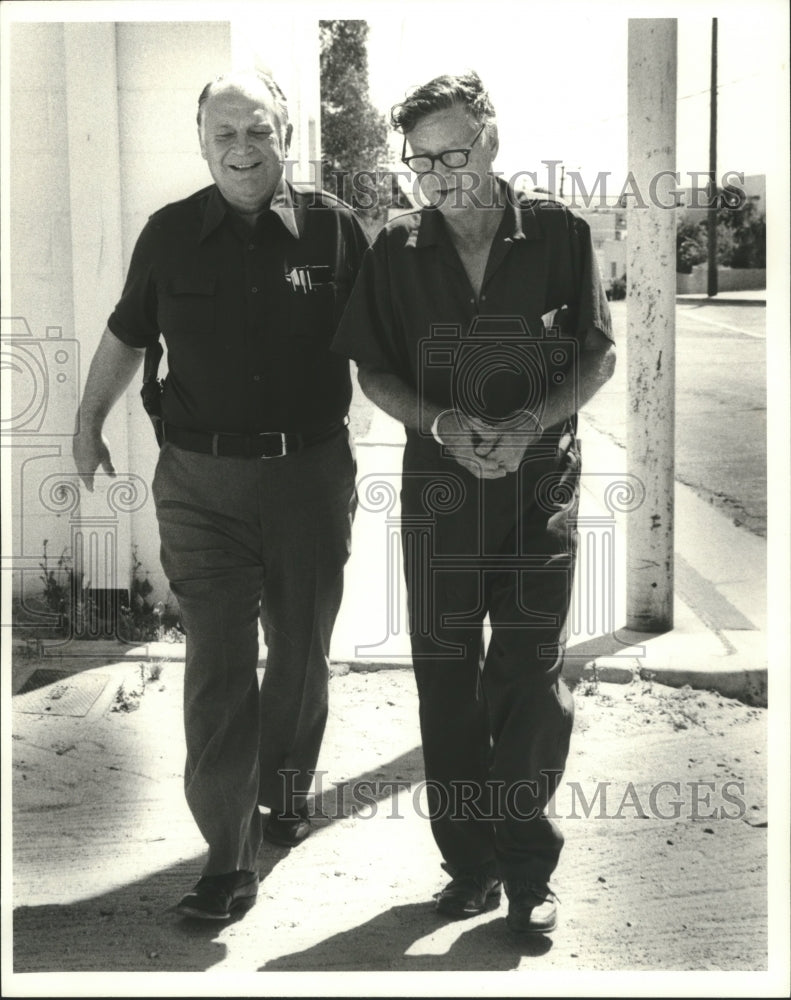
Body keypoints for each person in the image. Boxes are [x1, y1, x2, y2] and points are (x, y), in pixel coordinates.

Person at [73, 70, 369, 920]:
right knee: (217, 663)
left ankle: (286, 788)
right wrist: (86, 421)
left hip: (308, 477)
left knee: (302, 648)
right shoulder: (168, 234)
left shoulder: (335, 230)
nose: (242, 149)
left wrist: (444, 424)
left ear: (285, 135)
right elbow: (129, 334)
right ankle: (227, 856)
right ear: (202, 142)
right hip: (199, 484)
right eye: (224, 135)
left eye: (258, 131)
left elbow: (381, 344)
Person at [332, 70, 615, 935]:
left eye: (454, 152)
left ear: (491, 138)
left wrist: (530, 423)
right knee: (446, 677)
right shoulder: (396, 250)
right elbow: (370, 366)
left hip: (540, 490)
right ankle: (468, 868)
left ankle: (528, 875)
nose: (440, 176)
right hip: (441, 490)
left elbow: (595, 357)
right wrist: (440, 422)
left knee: (528, 675)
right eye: (420, 162)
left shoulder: (561, 233)